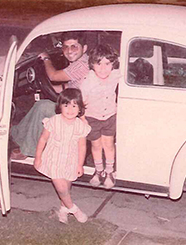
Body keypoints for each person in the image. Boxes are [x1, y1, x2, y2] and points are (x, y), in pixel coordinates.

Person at [11, 31, 89, 159]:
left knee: (43, 107)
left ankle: (28, 150)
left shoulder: (81, 65)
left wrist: (46, 58)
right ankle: (17, 134)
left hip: (80, 112)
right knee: (41, 104)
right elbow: (70, 86)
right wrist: (47, 88)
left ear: (84, 48)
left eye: (74, 46)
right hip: (75, 101)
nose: (69, 51)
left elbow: (53, 76)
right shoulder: (81, 61)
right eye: (65, 47)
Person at [34, 88, 91, 223]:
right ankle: (74, 209)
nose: (70, 109)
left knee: (66, 186)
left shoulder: (80, 126)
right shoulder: (54, 121)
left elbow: (82, 146)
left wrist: (79, 164)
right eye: (66, 105)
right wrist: (38, 157)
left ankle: (63, 208)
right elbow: (43, 139)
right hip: (54, 158)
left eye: (74, 106)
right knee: (60, 187)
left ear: (80, 108)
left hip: (71, 159)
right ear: (59, 106)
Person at [80, 44, 121, 189]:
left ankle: (109, 171)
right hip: (92, 118)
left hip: (110, 116)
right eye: (99, 64)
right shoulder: (87, 82)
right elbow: (81, 103)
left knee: (108, 144)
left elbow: (124, 62)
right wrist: (83, 120)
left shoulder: (115, 74)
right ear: (92, 65)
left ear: (113, 64)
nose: (103, 68)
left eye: (107, 64)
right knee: (96, 145)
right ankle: (98, 171)